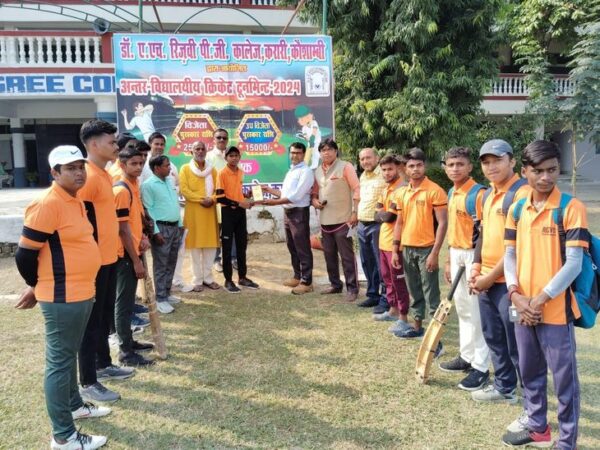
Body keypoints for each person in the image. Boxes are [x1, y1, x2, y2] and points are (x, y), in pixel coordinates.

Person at [15, 145, 108, 450]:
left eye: (81, 166)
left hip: (81, 291)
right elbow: (25, 255)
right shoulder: (47, 203)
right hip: (62, 295)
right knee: (59, 361)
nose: (79, 172)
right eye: (70, 168)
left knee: (67, 355)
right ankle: (64, 437)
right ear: (54, 173)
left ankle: (75, 405)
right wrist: (37, 286)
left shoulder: (75, 200)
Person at [502, 140, 587, 449]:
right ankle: (537, 425)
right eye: (538, 171)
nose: (546, 177)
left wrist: (538, 299)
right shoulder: (517, 208)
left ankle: (566, 441)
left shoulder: (569, 207)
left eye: (552, 170)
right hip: (522, 307)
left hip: (554, 310)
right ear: (524, 171)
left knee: (564, 380)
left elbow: (574, 264)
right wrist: (515, 295)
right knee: (529, 369)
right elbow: (509, 256)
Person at [469, 139, 530, 431]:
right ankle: (504, 386)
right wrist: (477, 267)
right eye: (486, 162)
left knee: (519, 344)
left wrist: (489, 278)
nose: (491, 167)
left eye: (497, 160)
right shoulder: (488, 195)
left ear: (512, 161)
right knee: (493, 336)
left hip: (512, 285)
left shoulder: (522, 194)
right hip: (488, 281)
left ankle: (532, 400)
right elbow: (481, 234)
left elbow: (517, 247)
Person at [77, 120, 128, 403]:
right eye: (111, 142)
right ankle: (88, 380)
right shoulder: (86, 176)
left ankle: (104, 364)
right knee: (91, 323)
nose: (116, 147)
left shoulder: (104, 174)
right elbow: (83, 222)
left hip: (109, 258)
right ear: (94, 144)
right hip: (94, 263)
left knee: (104, 317)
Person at [438, 147, 491, 391]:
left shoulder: (478, 194)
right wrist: (449, 259)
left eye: (460, 164)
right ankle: (466, 356)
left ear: (470, 167)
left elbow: (484, 233)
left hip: (474, 255)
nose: (455, 168)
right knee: (463, 309)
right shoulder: (452, 191)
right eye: (451, 164)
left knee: (478, 312)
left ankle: (481, 366)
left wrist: (477, 265)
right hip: (457, 252)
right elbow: (453, 229)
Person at [391, 147, 448, 343]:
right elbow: (399, 222)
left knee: (431, 292)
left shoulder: (435, 191)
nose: (416, 169)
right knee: (413, 290)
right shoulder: (402, 193)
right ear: (405, 169)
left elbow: (443, 223)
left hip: (427, 249)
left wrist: (435, 253)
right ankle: (416, 327)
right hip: (407, 248)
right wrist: (395, 250)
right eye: (411, 166)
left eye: (419, 165)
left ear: (424, 166)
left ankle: (435, 338)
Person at [113, 147, 155, 367]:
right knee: (123, 304)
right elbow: (122, 230)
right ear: (122, 165)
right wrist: (136, 260)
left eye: (141, 163)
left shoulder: (134, 185)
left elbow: (135, 222)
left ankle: (130, 342)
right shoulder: (121, 190)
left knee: (128, 302)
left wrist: (144, 237)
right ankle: (125, 352)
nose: (138, 167)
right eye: (133, 164)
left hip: (135, 249)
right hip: (125, 256)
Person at [311, 138, 360, 302]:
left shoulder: (346, 167)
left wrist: (355, 212)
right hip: (325, 221)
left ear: (336, 151)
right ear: (320, 153)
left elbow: (356, 189)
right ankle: (335, 285)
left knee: (347, 256)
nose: (326, 152)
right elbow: (315, 193)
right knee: (329, 255)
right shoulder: (318, 170)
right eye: (323, 150)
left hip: (344, 220)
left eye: (330, 149)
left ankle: (352, 288)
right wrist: (315, 202)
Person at [262, 142, 315, 294]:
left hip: (299, 213)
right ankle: (297, 276)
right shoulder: (291, 171)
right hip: (288, 213)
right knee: (292, 247)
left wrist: (274, 202)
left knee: (302, 247)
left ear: (303, 154)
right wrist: (269, 190)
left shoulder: (306, 172)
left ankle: (307, 282)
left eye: (297, 153)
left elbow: (296, 196)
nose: (294, 155)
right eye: (292, 152)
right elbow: (285, 195)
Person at [373, 155, 411, 332]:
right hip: (383, 241)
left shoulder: (402, 189)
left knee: (398, 281)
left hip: (397, 244)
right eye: (384, 170)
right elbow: (377, 215)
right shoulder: (385, 189)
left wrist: (382, 213)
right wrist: (382, 213)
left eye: (390, 169)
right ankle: (393, 309)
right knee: (388, 279)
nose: (387, 173)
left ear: (398, 169)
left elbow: (389, 216)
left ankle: (403, 316)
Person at [141, 155, 183, 314]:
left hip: (175, 228)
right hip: (161, 229)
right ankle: (160, 299)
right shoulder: (148, 185)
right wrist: (155, 232)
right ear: (157, 168)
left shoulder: (170, 181)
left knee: (172, 261)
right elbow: (148, 210)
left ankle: (167, 292)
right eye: (166, 166)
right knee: (161, 264)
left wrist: (180, 224)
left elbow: (175, 204)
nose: (170, 168)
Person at [215, 146, 259, 293]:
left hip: (241, 213)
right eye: (231, 155)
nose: (234, 158)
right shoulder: (221, 173)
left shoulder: (240, 172)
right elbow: (220, 198)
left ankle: (242, 277)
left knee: (242, 246)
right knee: (227, 248)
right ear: (226, 157)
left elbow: (238, 193)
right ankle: (228, 280)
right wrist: (239, 203)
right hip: (227, 212)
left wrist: (248, 196)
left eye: (236, 155)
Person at [178, 141, 221, 292]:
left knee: (210, 247)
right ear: (192, 152)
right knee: (195, 248)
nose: (200, 151)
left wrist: (213, 199)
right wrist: (202, 199)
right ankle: (197, 280)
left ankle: (208, 279)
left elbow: (218, 189)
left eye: (203, 149)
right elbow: (184, 190)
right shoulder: (184, 169)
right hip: (194, 213)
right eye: (197, 148)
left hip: (209, 213)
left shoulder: (212, 170)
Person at [356, 148, 388, 312]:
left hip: (377, 225)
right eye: (362, 159)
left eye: (368, 158)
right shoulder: (363, 176)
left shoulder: (383, 174)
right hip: (362, 224)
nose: (365, 162)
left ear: (377, 158)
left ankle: (385, 298)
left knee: (380, 262)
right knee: (367, 262)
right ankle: (373, 294)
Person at [207, 128, 237, 273]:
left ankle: (233, 258)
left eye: (224, 138)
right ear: (213, 139)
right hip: (215, 200)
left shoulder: (232, 156)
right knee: (215, 232)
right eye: (218, 138)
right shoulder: (208, 157)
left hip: (231, 201)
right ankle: (216, 260)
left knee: (232, 231)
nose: (221, 140)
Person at [295, 105, 321, 169]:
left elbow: (314, 131)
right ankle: (305, 165)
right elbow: (305, 135)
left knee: (315, 152)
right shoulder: (304, 128)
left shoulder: (314, 122)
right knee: (309, 153)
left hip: (316, 141)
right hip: (310, 142)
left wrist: (312, 138)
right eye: (299, 119)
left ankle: (315, 165)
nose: (300, 120)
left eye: (301, 118)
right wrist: (308, 140)